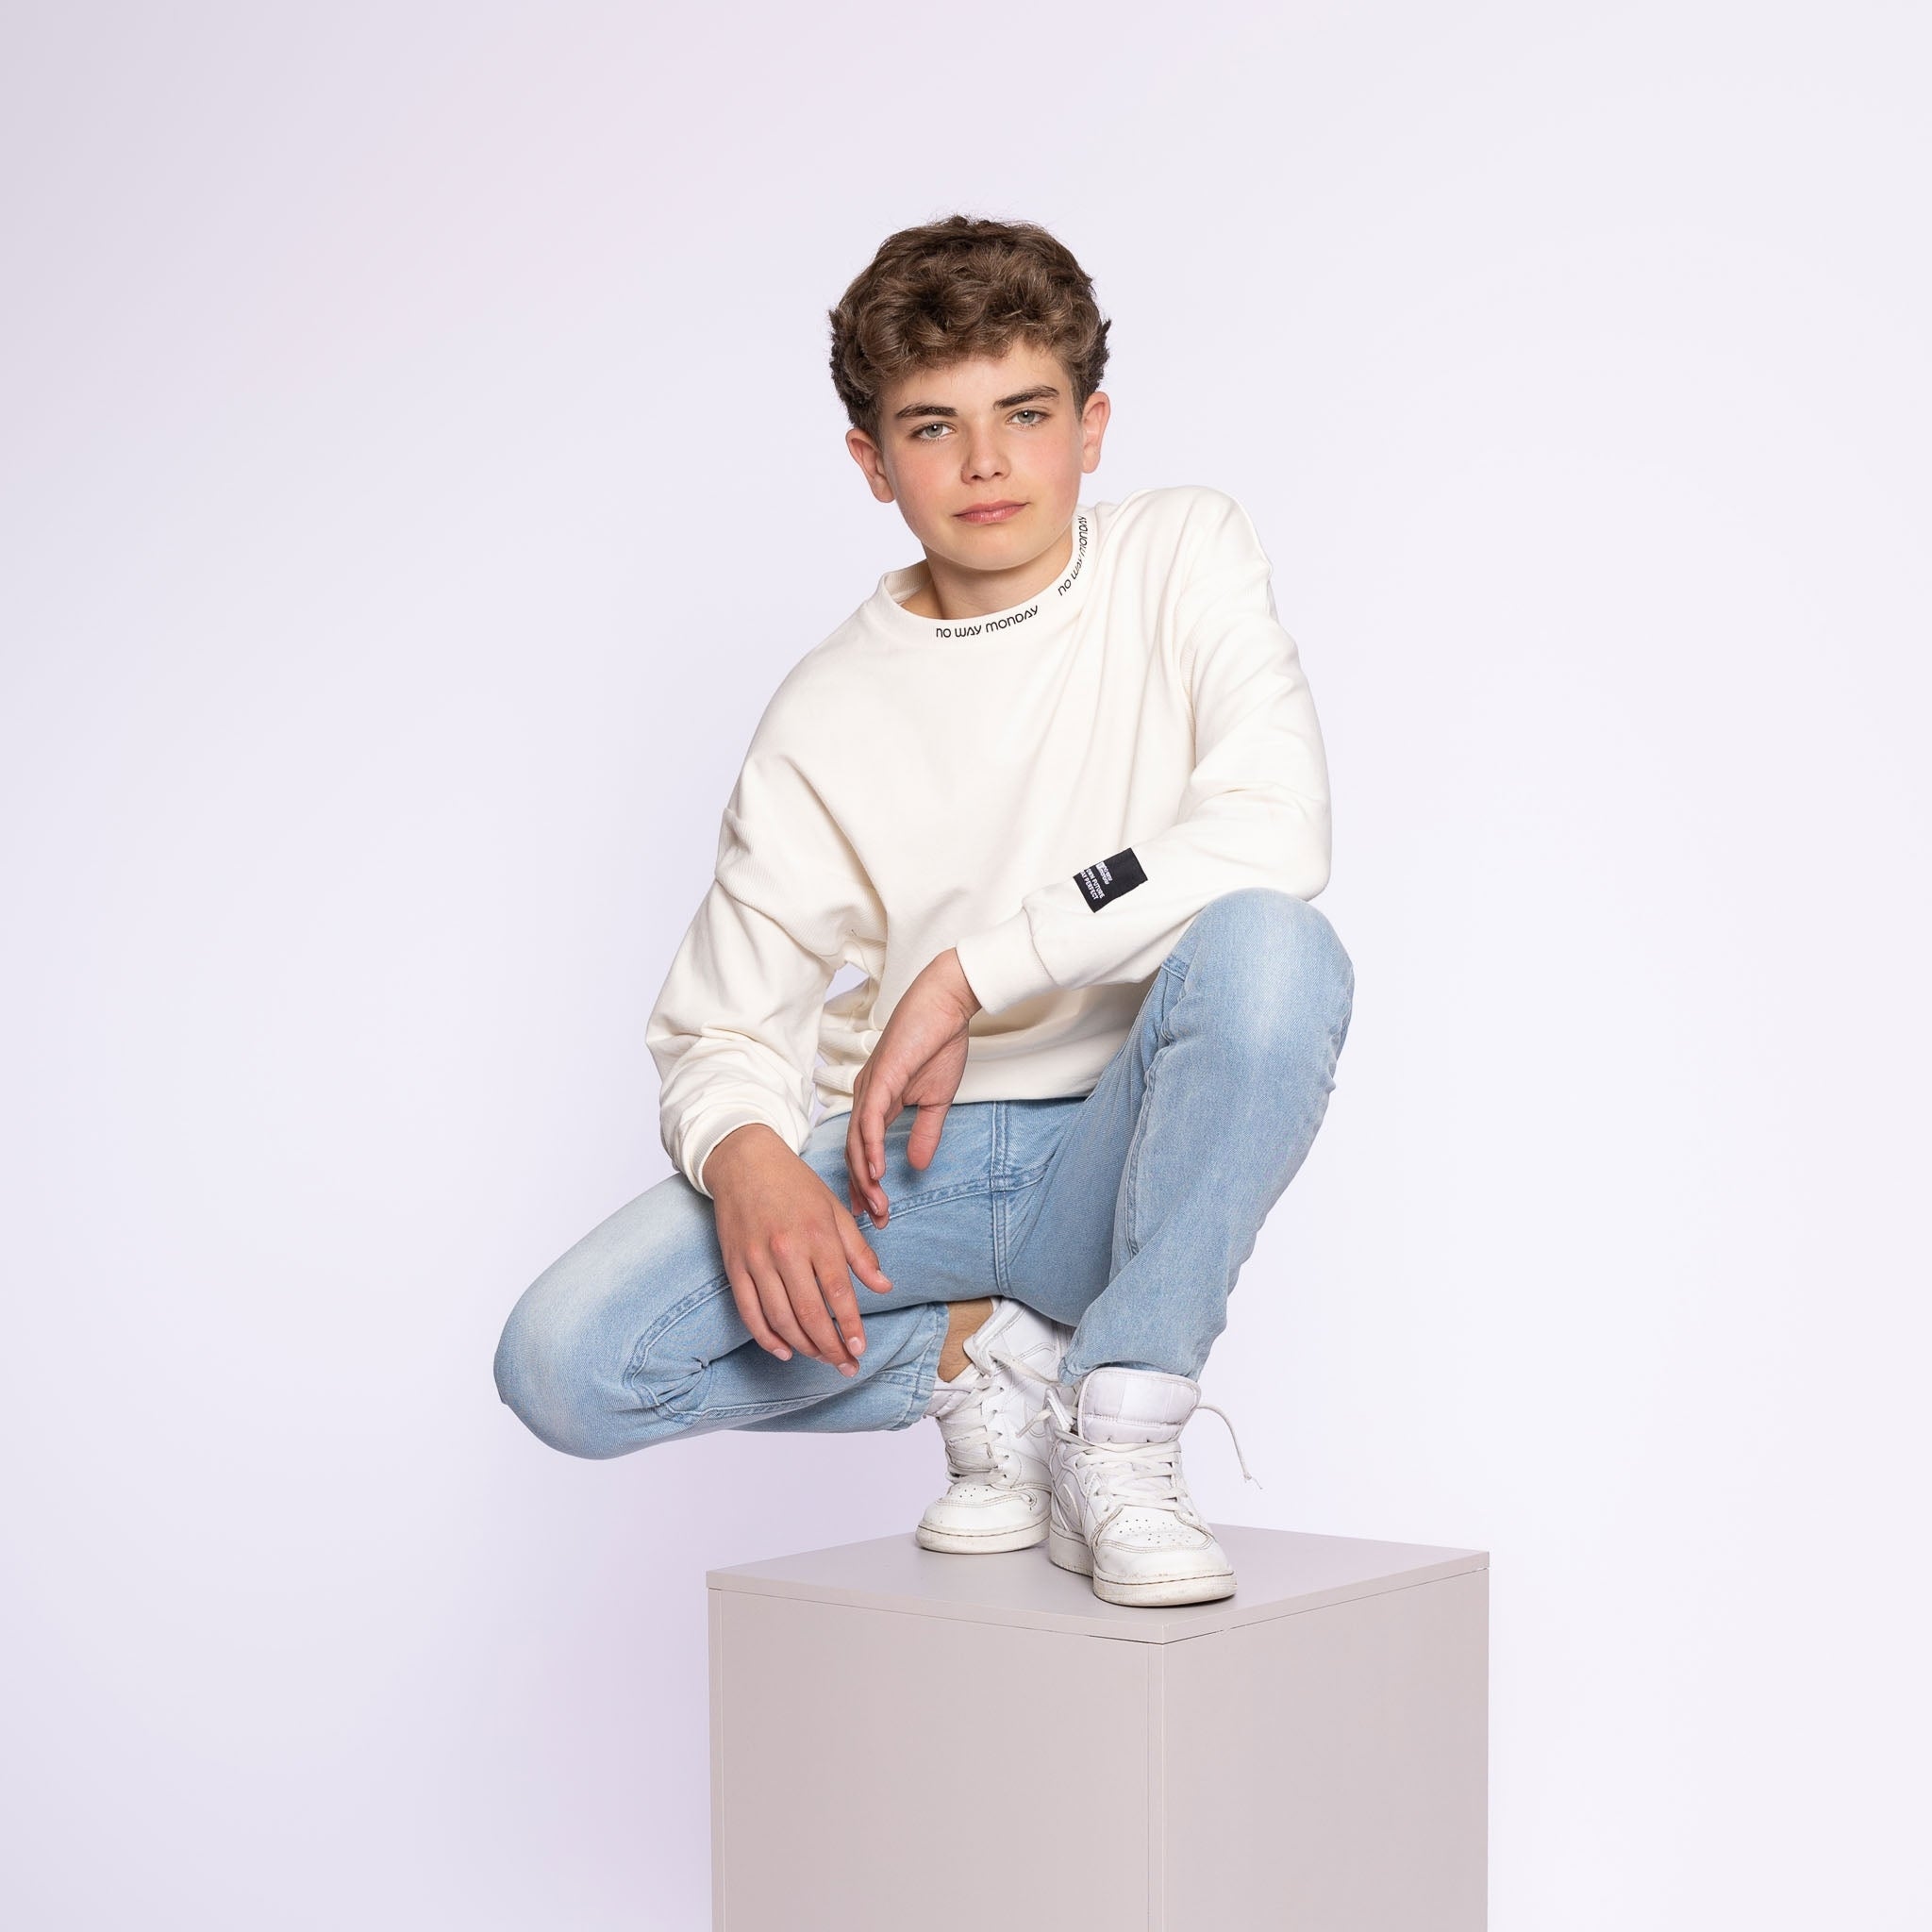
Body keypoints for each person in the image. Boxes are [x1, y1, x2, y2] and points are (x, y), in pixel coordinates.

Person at [493, 214, 1355, 1607]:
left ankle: (1123, 1426)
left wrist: (971, 974)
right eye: (933, 427)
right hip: (907, 1172)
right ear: (872, 462)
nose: (985, 463)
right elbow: (722, 1023)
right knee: (566, 1361)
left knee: (1276, 952)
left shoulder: (1181, 553)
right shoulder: (827, 709)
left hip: (1118, 1144)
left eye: (1027, 413)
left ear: (1092, 427)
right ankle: (981, 1360)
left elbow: (1272, 829)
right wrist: (748, 1153)